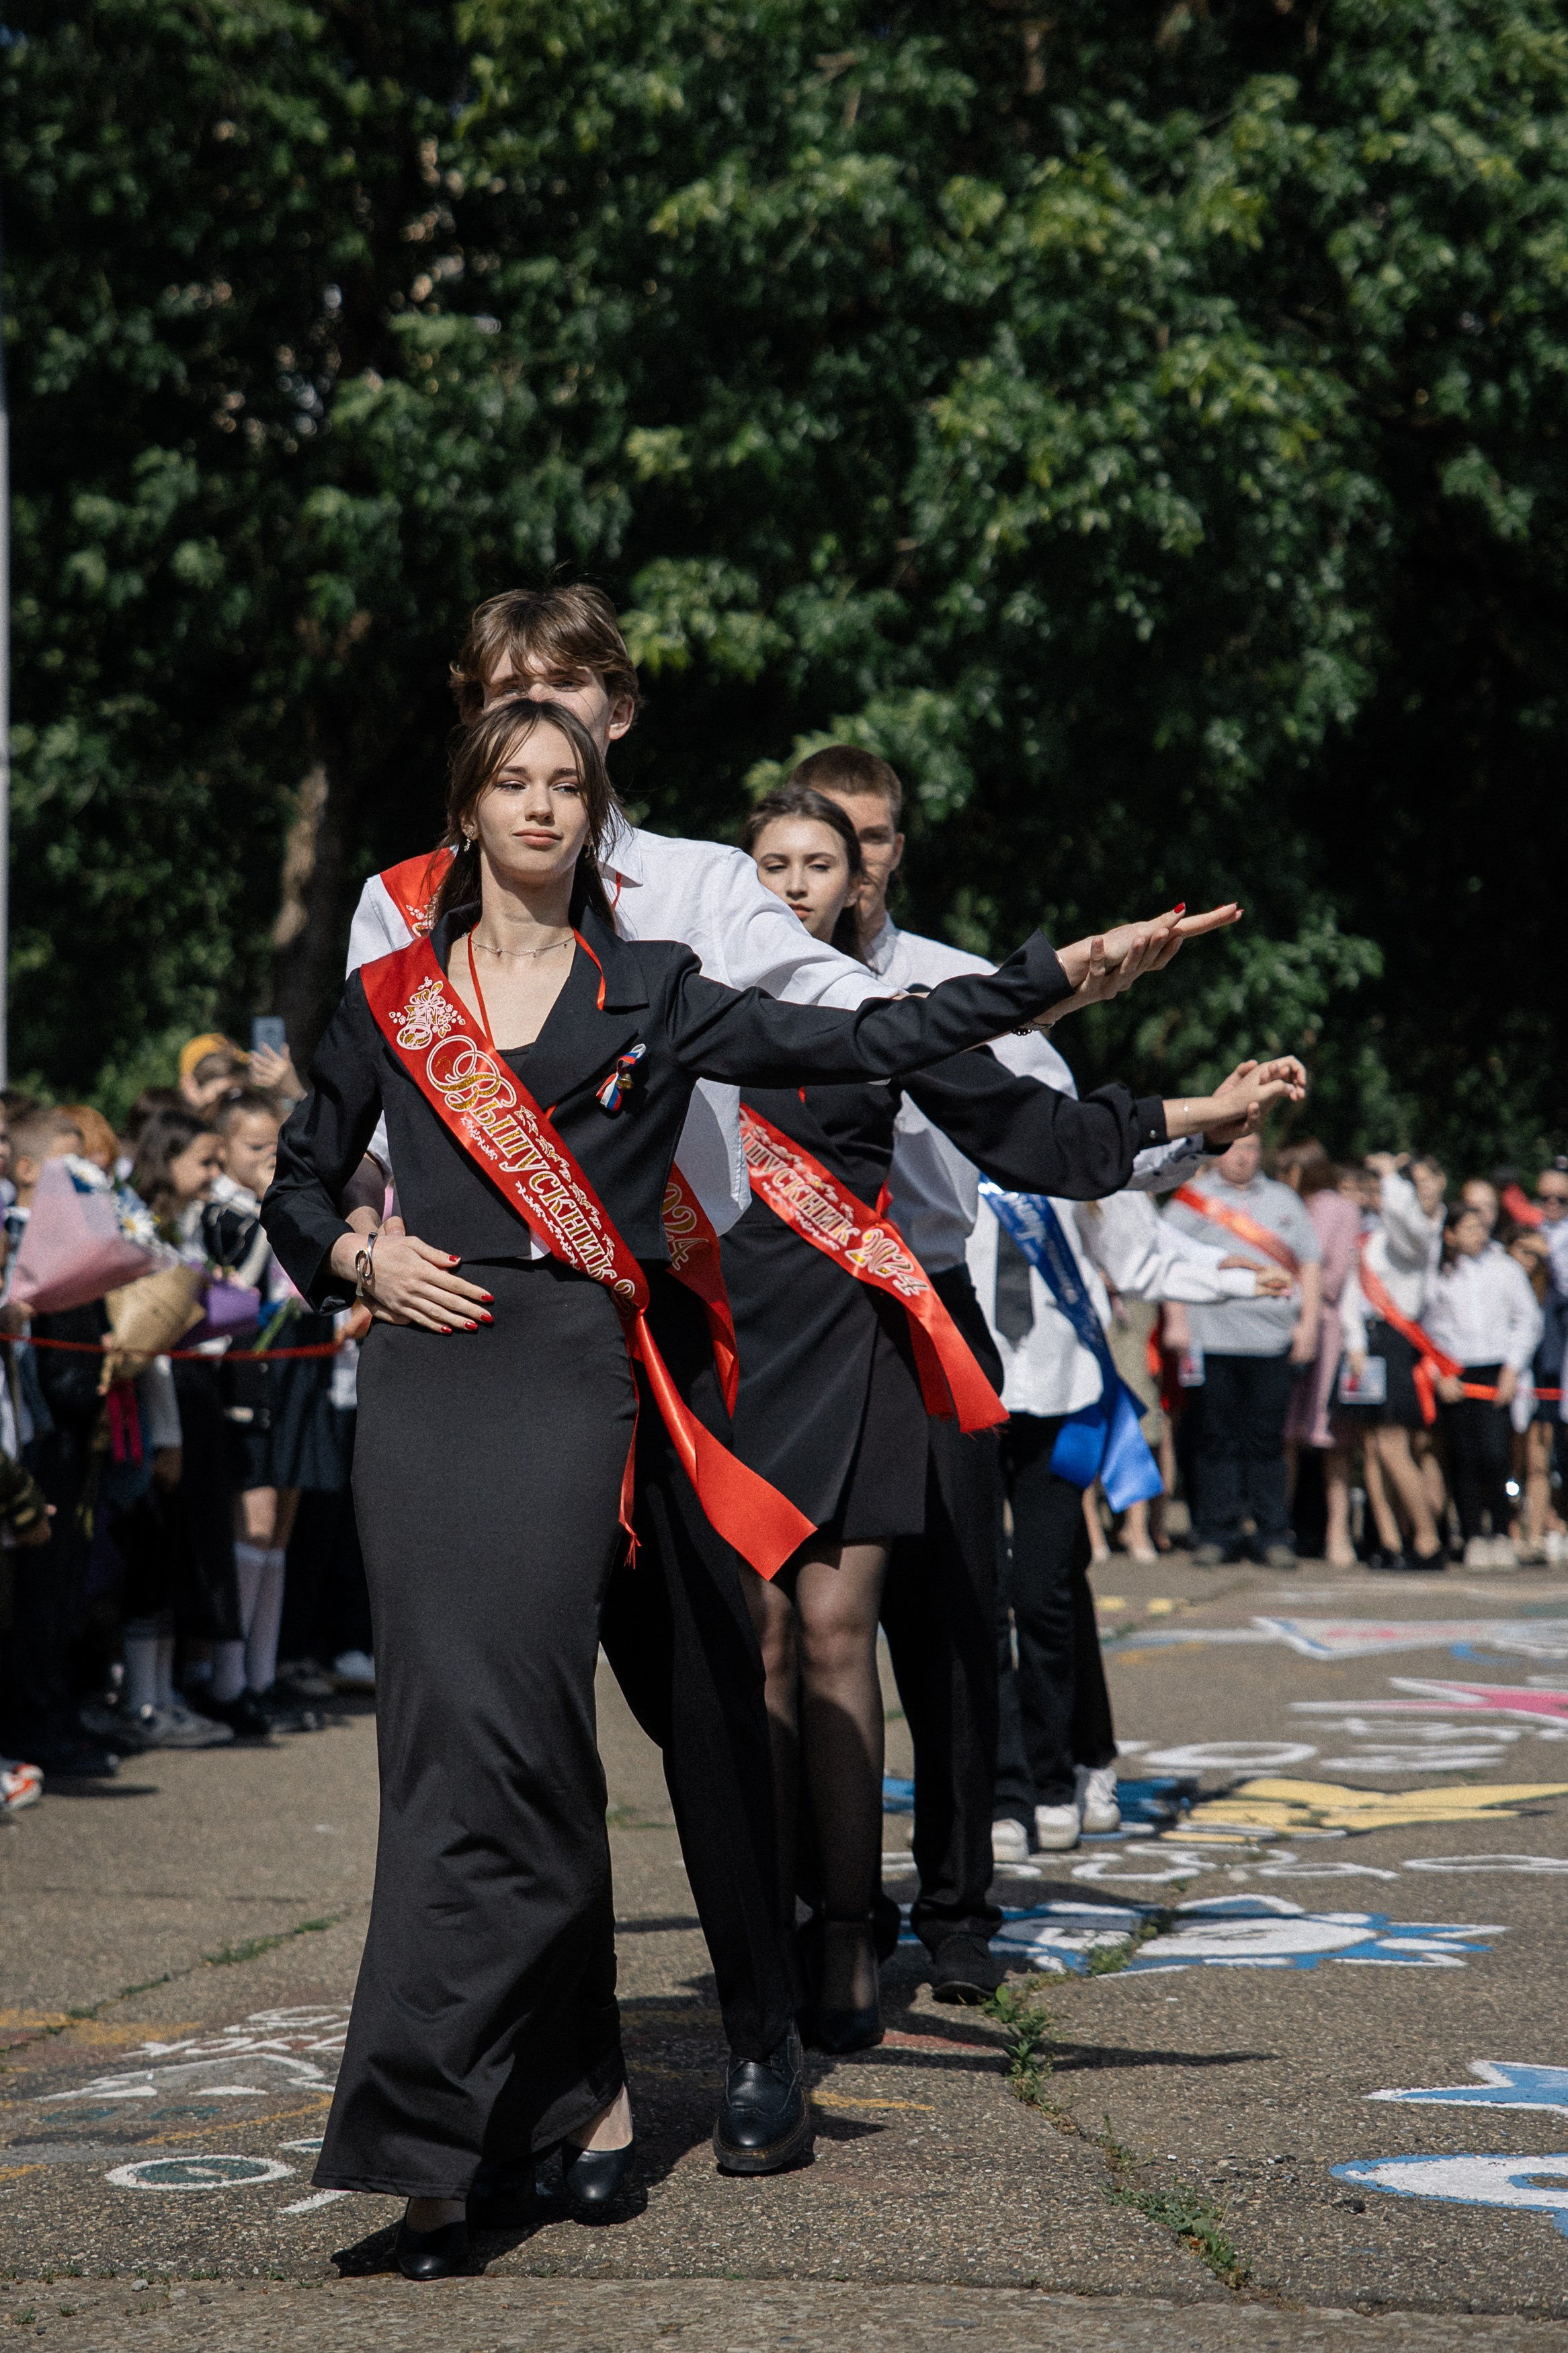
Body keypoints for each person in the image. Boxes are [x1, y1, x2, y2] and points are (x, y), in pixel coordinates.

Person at [262, 694, 1195, 2278]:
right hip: (425, 1394)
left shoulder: (653, 989)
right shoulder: (387, 995)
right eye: (511, 782)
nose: (540, 807)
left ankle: (513, 2120)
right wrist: (357, 1255)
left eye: (567, 784)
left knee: (524, 1748)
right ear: (467, 810)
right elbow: (296, 1184)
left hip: (577, 1387)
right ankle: (478, 2134)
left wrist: (1046, 976)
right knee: (442, 1762)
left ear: (595, 810)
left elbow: (861, 1040)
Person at [723, 782, 1275, 2045]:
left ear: (881, 857)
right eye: (779, 859)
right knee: (772, 1642)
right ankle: (805, 1905)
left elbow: (1048, 1139)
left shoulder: (942, 985)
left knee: (950, 1620)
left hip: (918, 1310)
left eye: (847, 847)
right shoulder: (699, 984)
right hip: (758, 1337)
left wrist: (1193, 1127)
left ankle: (953, 1908)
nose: (814, 877)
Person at [974, 1176, 1294, 1856]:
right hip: (961, 1385)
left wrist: (1226, 1274)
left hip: (1060, 1388)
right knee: (978, 1595)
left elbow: (1138, 1246)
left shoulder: (1060, 1129)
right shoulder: (927, 1128)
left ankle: (1063, 1773)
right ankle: (1003, 1788)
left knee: (1043, 1587)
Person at [1164, 1132, 1323, 1567]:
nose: (1242, 1156)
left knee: (1267, 1441)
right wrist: (1177, 1320)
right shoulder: (1193, 1198)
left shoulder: (1283, 1200)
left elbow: (1310, 1263)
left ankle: (1273, 1535)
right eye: (1235, 1147)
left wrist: (1308, 1324)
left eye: (1251, 1148)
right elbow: (1168, 1259)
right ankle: (1218, 1533)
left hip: (1272, 1341)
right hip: (1211, 1339)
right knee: (1215, 1439)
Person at [1339, 1153, 1450, 1568]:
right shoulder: (1370, 1234)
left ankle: (1427, 1538)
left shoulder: (1416, 1231)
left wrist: (1392, 1179)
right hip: (1369, 1343)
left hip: (1399, 1341)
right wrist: (1354, 1341)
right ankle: (1390, 1541)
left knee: (1394, 1446)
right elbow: (1354, 1289)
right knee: (1372, 1448)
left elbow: (1409, 1227)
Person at [1426, 1202, 1542, 1566]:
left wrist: (1512, 1369)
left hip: (1496, 1372)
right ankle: (1473, 1534)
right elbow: (1428, 1327)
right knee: (1463, 1457)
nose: (1478, 1234)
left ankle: (1501, 1532)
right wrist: (1440, 1372)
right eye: (1469, 1228)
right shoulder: (1438, 1273)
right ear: (1450, 1235)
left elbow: (1528, 1320)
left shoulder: (1505, 1268)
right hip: (1455, 1373)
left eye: (1481, 1227)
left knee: (1496, 1455)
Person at [1276, 1138, 1362, 1566]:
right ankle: (1278, 1530)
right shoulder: (1281, 1205)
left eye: (1286, 1170)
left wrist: (1292, 1279)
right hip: (1279, 1323)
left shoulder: (1341, 1210)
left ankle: (1338, 1534)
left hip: (1326, 1330)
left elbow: (1333, 1278)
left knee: (1332, 1440)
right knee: (1285, 1435)